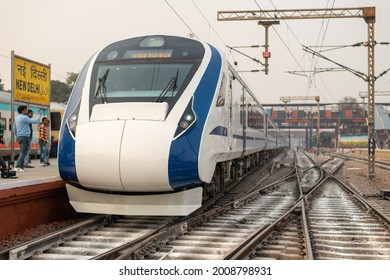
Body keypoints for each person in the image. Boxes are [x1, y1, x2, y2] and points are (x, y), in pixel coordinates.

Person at [13, 105, 42, 172]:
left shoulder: (17, 118)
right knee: (24, 152)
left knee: (23, 152)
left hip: (20, 136)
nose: (27, 111)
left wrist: (17, 136)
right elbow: (35, 121)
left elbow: (14, 128)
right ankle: (17, 166)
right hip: (25, 137)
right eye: (26, 110)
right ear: (23, 111)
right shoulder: (24, 117)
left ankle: (21, 166)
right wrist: (40, 115)